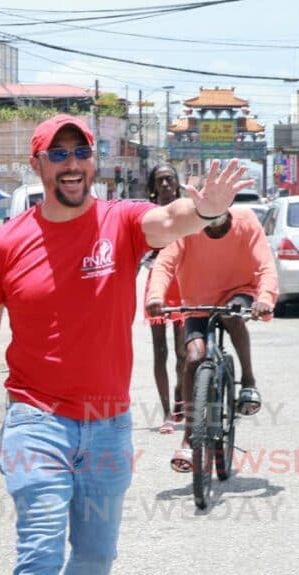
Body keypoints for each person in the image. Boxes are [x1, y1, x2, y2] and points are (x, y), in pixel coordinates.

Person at [0, 113, 250, 574]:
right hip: (36, 420)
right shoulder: (5, 243)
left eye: (80, 153)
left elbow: (170, 219)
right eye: (58, 154)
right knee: (40, 554)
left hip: (108, 423)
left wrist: (206, 211)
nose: (71, 164)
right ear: (38, 165)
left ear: (93, 162)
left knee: (96, 559)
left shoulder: (123, 222)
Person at [146, 205, 278, 473]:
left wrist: (265, 298)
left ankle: (248, 380)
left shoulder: (246, 220)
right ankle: (188, 438)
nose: (212, 228)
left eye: (219, 223)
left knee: (232, 317)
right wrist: (156, 296)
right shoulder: (187, 225)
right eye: (207, 223)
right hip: (197, 303)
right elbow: (165, 264)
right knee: (193, 358)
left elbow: (265, 265)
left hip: (239, 293)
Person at [139, 164, 187, 435]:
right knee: (160, 352)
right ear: (153, 187)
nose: (166, 184)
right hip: (157, 286)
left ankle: (181, 397)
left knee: (183, 353)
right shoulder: (148, 215)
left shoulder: (187, 211)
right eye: (161, 181)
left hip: (184, 284)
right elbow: (139, 250)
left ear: (177, 183)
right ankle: (167, 412)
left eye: (170, 179)